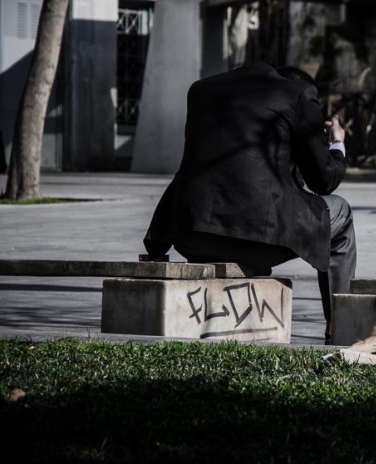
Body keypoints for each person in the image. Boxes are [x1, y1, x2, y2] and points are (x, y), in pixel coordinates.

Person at [142, 62, 356, 343]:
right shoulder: (298, 94)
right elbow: (324, 180)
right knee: (340, 212)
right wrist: (336, 145)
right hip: (257, 241)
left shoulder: (201, 90)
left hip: (189, 234)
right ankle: (338, 325)